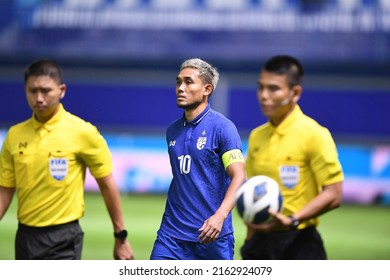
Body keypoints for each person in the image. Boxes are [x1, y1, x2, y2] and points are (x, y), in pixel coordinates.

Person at [0, 58, 134, 260]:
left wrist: (120, 236)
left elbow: (107, 185)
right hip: (25, 237)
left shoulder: (83, 132)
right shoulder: (14, 135)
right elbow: (4, 190)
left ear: (61, 90)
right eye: (32, 90)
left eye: (46, 91)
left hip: (63, 238)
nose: (39, 98)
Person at [241, 55, 344, 260]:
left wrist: (293, 220)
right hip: (260, 243)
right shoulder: (256, 136)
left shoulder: (314, 134)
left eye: (273, 89)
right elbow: (250, 195)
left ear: (295, 93)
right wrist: (249, 243)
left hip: (300, 243)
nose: (263, 95)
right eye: (260, 87)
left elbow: (334, 193)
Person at [150, 58, 246, 260]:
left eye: (188, 82)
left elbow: (239, 177)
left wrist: (219, 217)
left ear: (207, 89)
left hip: (212, 236)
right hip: (171, 238)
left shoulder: (223, 128)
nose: (180, 88)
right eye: (178, 82)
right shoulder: (172, 131)